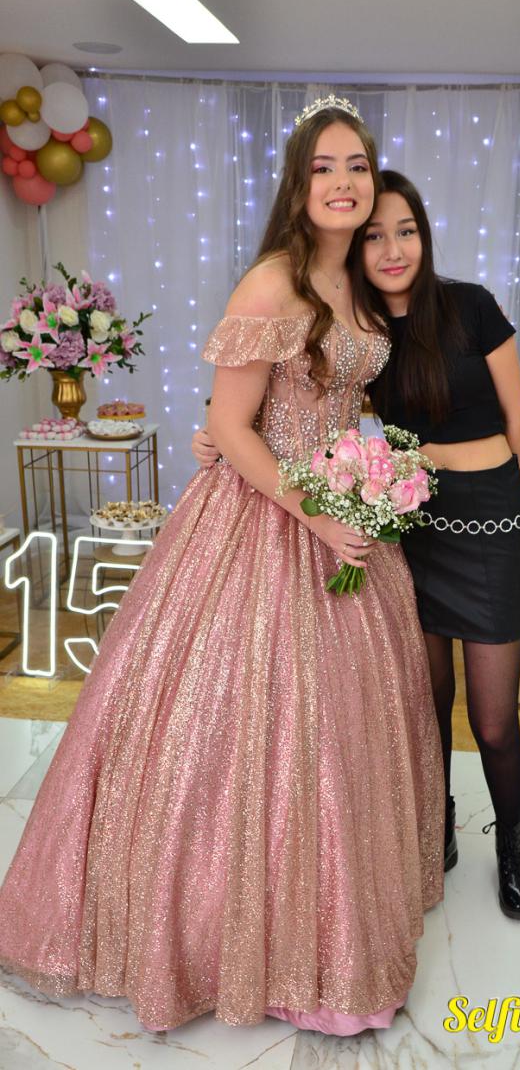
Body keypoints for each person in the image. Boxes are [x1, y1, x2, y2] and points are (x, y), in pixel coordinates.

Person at [0, 103, 444, 1036]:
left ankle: (333, 924)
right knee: (233, 721)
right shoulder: (271, 282)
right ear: (298, 182)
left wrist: (366, 475)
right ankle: (216, 938)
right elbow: (234, 426)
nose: (342, 183)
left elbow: (323, 400)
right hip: (264, 518)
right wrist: (316, 512)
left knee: (339, 731)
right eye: (323, 167)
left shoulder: (360, 280)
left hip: (339, 506)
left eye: (356, 167)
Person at [194, 168, 520, 920]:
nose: (392, 249)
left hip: (489, 527)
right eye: (375, 236)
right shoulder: (364, 326)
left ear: (424, 235)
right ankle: (436, 822)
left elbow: (517, 419)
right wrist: (219, 429)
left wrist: (508, 508)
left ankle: (510, 842)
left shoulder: (472, 306)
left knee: (492, 719)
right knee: (426, 701)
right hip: (407, 525)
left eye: (405, 231)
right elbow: (301, 392)